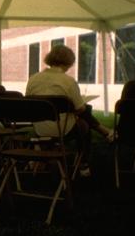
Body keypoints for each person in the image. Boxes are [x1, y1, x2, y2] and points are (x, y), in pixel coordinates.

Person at [24, 45, 111, 177]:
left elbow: (30, 104)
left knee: (81, 112)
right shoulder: (68, 81)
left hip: (39, 128)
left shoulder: (33, 79)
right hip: (62, 129)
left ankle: (41, 152)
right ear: (70, 62)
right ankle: (83, 163)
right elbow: (80, 109)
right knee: (84, 120)